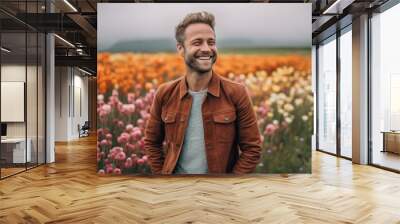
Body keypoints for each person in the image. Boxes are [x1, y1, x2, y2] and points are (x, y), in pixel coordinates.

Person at [144, 11, 261, 174]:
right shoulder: (165, 93)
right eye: (197, 43)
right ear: (180, 49)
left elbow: (252, 149)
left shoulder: (236, 93)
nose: (206, 49)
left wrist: (229, 184)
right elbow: (151, 143)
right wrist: (163, 178)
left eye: (211, 42)